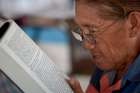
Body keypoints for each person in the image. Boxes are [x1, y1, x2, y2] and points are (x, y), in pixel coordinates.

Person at [67, 0, 140, 93]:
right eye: (81, 30)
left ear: (134, 24)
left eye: (92, 31)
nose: (86, 45)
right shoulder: (108, 64)